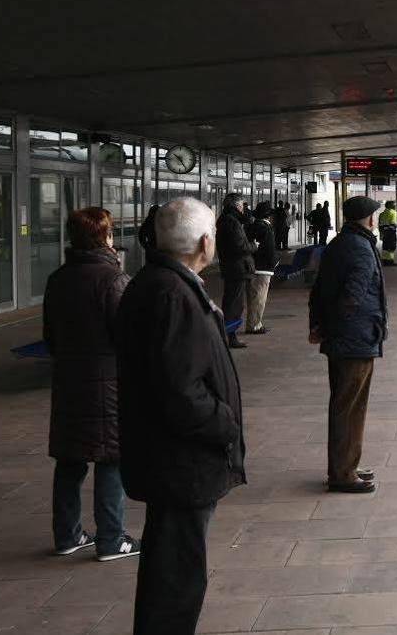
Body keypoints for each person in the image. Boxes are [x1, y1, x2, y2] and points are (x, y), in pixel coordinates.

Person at [115, 197, 246, 635]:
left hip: (170, 458)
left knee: (172, 569)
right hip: (181, 462)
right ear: (206, 243)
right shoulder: (172, 294)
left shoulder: (161, 284)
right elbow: (180, 391)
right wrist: (225, 424)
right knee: (177, 577)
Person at [43, 207, 140, 562]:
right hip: (108, 386)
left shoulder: (58, 279)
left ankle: (67, 535)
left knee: (70, 461)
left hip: (68, 382)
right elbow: (127, 336)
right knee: (110, 457)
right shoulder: (113, 279)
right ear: (106, 237)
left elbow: (50, 337)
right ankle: (111, 538)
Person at [308, 196, 386, 494]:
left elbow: (318, 289)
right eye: (374, 215)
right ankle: (342, 473)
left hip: (343, 338)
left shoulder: (339, 243)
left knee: (344, 404)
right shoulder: (361, 248)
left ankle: (347, 465)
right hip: (355, 338)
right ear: (367, 219)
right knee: (350, 406)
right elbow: (353, 295)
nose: (375, 219)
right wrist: (335, 328)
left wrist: (317, 325)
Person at [215, 194, 254, 349]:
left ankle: (229, 334)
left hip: (233, 267)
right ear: (235, 205)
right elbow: (240, 247)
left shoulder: (228, 220)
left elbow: (248, 220)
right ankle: (230, 336)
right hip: (236, 268)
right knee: (234, 304)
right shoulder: (231, 223)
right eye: (241, 205)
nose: (243, 208)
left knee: (233, 301)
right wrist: (253, 246)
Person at [244, 201, 278, 335]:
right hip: (263, 269)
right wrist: (274, 263)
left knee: (252, 297)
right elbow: (270, 250)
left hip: (251, 266)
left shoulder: (250, 227)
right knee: (259, 298)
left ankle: (253, 323)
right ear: (268, 216)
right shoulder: (266, 229)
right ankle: (254, 325)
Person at [378, 200, 397, 267]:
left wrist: (381, 233)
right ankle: (390, 261)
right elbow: (393, 224)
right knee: (391, 247)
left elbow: (380, 225)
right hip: (391, 232)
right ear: (391, 206)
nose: (395, 206)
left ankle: (384, 260)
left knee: (385, 246)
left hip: (384, 232)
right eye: (394, 204)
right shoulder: (393, 213)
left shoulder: (382, 214)